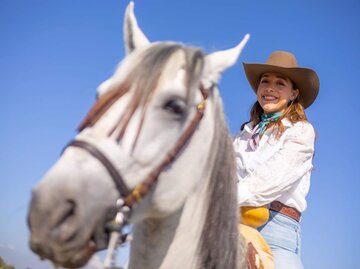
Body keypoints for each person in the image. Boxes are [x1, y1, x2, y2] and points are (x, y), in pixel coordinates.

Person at [234, 51, 320, 269]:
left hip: (277, 230)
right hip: (233, 221)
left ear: (293, 93)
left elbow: (271, 178)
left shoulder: (301, 132)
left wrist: (222, 196)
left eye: (280, 83)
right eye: (265, 82)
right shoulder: (242, 135)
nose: (270, 88)